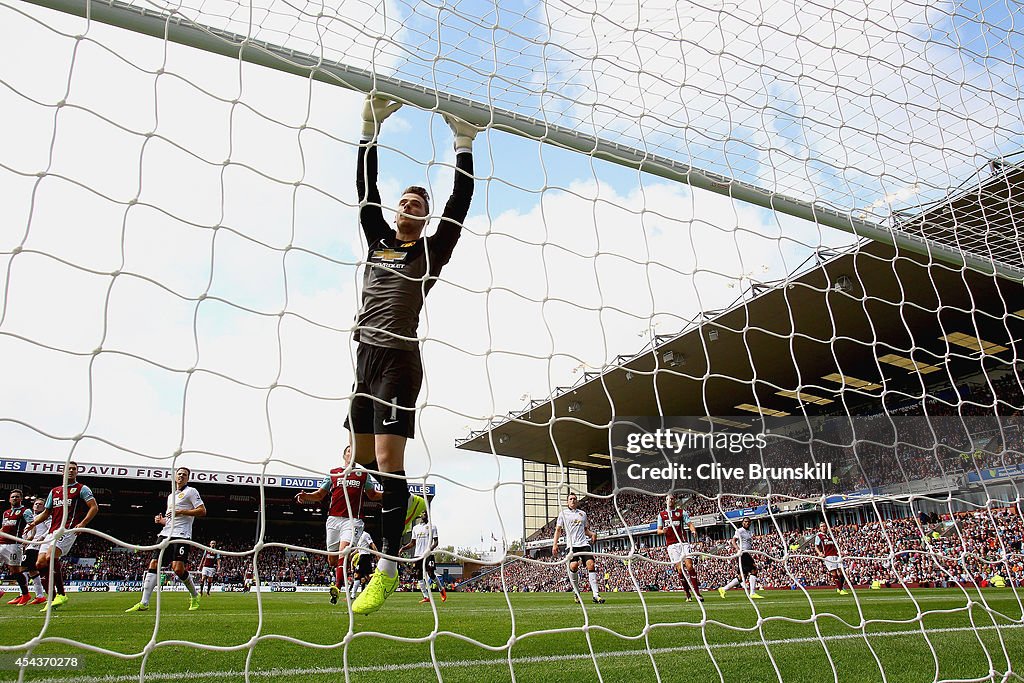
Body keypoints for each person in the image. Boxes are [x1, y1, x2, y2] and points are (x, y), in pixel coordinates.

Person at [346, 94, 477, 616]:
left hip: (399, 361)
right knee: (359, 461)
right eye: (407, 200)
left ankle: (386, 567)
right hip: (363, 359)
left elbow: (459, 207)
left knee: (384, 461)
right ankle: (410, 501)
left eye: (420, 204)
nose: (412, 205)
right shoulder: (378, 238)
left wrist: (462, 144)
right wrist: (368, 128)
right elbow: (364, 192)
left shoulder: (429, 250)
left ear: (423, 220)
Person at [295, 445, 380, 604]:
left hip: (353, 520)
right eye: (349, 451)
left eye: (355, 451)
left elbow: (373, 495)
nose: (352, 453)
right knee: (333, 561)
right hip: (333, 520)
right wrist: (306, 496)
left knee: (343, 551)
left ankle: (338, 586)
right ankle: (341, 573)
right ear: (344, 455)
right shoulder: (333, 473)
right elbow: (320, 494)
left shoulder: (363, 475)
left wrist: (391, 495)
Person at [126, 467, 205, 613]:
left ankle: (195, 595)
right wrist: (161, 521)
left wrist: (181, 511)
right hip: (165, 533)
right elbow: (171, 519)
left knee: (178, 569)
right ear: (175, 476)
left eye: (184, 474)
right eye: (179, 473)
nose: (181, 476)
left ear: (188, 478)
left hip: (181, 535)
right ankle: (144, 602)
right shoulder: (171, 496)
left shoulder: (191, 491)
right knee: (154, 563)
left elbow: (202, 511)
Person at [23, 461, 99, 611]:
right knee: (39, 564)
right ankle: (51, 598)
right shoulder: (55, 491)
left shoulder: (81, 489)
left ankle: (62, 594)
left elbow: (94, 507)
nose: (71, 471)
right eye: (68, 469)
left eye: (74, 469)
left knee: (50, 557)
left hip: (68, 529)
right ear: (62, 472)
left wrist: (83, 523)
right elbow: (46, 512)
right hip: (53, 531)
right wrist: (33, 523)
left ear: (77, 472)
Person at [551, 493, 605, 604]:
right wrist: (555, 544)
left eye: (575, 499)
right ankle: (576, 592)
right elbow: (558, 530)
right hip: (571, 545)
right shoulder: (563, 514)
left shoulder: (582, 514)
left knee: (591, 564)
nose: (573, 500)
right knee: (574, 566)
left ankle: (596, 595)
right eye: (571, 499)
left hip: (583, 544)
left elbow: (585, 530)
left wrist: (592, 534)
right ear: (567, 502)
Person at [656, 493, 702, 602]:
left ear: (674, 500)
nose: (670, 501)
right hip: (672, 546)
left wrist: (693, 530)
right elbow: (658, 530)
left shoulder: (681, 512)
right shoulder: (662, 515)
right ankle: (687, 593)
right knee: (680, 570)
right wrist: (663, 531)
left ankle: (697, 593)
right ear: (665, 501)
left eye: (672, 499)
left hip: (683, 543)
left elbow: (689, 523)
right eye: (668, 499)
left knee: (690, 566)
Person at [401, 512, 447, 604]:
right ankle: (426, 596)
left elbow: (436, 541)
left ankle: (441, 589)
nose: (424, 514)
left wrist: (429, 549)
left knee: (430, 573)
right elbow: (412, 543)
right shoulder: (415, 528)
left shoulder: (432, 526)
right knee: (418, 574)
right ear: (420, 515)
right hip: (418, 555)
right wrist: (403, 548)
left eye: (425, 513)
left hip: (428, 554)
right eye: (422, 513)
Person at [1, 489, 34, 605]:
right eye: (13, 497)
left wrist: (29, 538)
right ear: (9, 499)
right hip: (1, 543)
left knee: (15, 571)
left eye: (17, 497)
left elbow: (32, 525)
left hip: (14, 545)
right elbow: (3, 528)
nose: (14, 498)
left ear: (21, 499)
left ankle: (25, 595)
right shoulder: (6, 513)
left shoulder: (25, 511)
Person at [717, 517, 763, 599]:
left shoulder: (749, 532)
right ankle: (752, 592)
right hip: (743, 553)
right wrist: (738, 549)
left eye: (749, 522)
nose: (747, 523)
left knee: (742, 577)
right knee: (754, 570)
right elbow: (733, 540)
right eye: (745, 522)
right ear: (742, 523)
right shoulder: (740, 530)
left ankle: (723, 589)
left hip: (747, 553)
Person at [21, 498, 48, 605]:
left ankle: (25, 594)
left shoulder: (45, 516)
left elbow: (50, 528)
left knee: (23, 568)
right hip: (29, 545)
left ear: (44, 506)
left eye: (40, 504)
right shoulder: (31, 517)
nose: (37, 505)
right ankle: (39, 596)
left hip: (36, 545)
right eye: (36, 504)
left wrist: (42, 538)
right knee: (31, 570)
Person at [815, 521, 848, 595]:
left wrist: (840, 552)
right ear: (820, 528)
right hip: (828, 556)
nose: (823, 527)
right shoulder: (819, 536)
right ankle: (841, 589)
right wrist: (820, 553)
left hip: (836, 555)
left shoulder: (830, 536)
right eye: (822, 526)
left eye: (824, 526)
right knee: (834, 573)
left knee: (842, 572)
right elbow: (816, 546)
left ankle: (840, 587)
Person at [349, 528, 377, 599]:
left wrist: (377, 554)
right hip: (363, 557)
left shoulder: (365, 535)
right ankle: (373, 593)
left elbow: (372, 544)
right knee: (368, 576)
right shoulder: (359, 537)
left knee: (357, 575)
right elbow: (358, 549)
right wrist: (352, 554)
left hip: (364, 557)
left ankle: (353, 595)